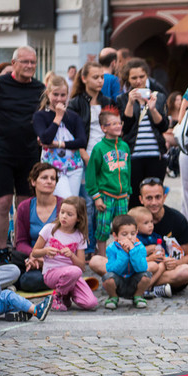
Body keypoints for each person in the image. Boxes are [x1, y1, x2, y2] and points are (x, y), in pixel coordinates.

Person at [0, 46, 45, 265]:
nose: (29, 66)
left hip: (29, 153)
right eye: (25, 62)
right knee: (3, 202)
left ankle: (21, 248)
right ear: (13, 63)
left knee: (25, 203)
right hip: (2, 152)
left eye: (32, 62)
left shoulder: (40, 88)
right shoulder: (1, 84)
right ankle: (1, 250)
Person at [68, 61, 114, 256]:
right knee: (88, 202)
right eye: (96, 77)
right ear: (84, 78)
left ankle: (98, 245)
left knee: (102, 202)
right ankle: (86, 245)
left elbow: (113, 128)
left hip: (105, 156)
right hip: (85, 156)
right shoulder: (76, 102)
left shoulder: (107, 101)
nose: (100, 81)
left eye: (102, 77)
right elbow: (72, 133)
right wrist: (83, 153)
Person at [116, 58, 169, 208]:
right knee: (134, 198)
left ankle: (153, 228)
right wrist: (130, 103)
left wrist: (152, 108)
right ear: (128, 79)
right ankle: (135, 230)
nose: (139, 81)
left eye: (142, 76)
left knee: (155, 198)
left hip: (156, 155)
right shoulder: (122, 99)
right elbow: (124, 128)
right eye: (134, 78)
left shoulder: (158, 96)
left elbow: (163, 126)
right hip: (133, 156)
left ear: (147, 76)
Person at [30, 196, 97, 311]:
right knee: (74, 271)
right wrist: (45, 251)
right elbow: (34, 253)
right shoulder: (49, 229)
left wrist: (71, 255)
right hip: (51, 273)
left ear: (78, 218)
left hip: (73, 275)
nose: (64, 216)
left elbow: (81, 266)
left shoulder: (80, 236)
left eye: (69, 214)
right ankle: (57, 296)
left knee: (91, 303)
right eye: (62, 212)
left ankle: (66, 294)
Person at [85, 107, 131, 257]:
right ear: (104, 128)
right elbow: (91, 174)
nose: (118, 126)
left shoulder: (125, 147)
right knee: (103, 228)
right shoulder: (99, 149)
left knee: (123, 228)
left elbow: (128, 170)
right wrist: (96, 196)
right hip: (105, 196)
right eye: (113, 123)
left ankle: (121, 255)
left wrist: (128, 191)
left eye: (119, 123)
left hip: (122, 196)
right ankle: (102, 257)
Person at [33, 75, 87, 198]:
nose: (59, 99)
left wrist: (59, 144)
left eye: (63, 95)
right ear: (48, 93)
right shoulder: (40, 115)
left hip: (74, 166)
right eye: (55, 94)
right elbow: (45, 139)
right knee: (65, 199)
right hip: (53, 168)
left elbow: (82, 141)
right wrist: (58, 117)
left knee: (72, 204)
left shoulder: (73, 116)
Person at [13, 164, 62, 292]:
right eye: (44, 177)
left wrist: (44, 258)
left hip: (57, 259)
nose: (49, 181)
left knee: (28, 281)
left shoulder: (64, 206)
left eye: (53, 178)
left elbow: (70, 241)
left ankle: (17, 282)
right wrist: (34, 256)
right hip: (32, 257)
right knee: (11, 258)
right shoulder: (24, 207)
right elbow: (21, 242)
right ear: (33, 181)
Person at [102, 214, 152, 309]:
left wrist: (133, 251)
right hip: (119, 281)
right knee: (108, 278)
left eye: (133, 234)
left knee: (146, 276)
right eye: (124, 234)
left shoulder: (140, 247)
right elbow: (112, 269)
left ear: (137, 232)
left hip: (134, 282)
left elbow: (142, 268)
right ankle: (113, 297)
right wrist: (124, 254)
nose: (129, 237)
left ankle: (138, 296)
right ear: (115, 235)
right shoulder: (112, 248)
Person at [127, 206, 172, 299]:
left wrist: (165, 257)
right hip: (141, 268)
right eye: (146, 223)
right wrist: (150, 254)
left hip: (157, 268)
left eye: (151, 222)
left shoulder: (156, 237)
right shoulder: (135, 240)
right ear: (135, 227)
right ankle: (145, 288)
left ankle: (148, 286)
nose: (151, 225)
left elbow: (164, 251)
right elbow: (133, 258)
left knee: (163, 265)